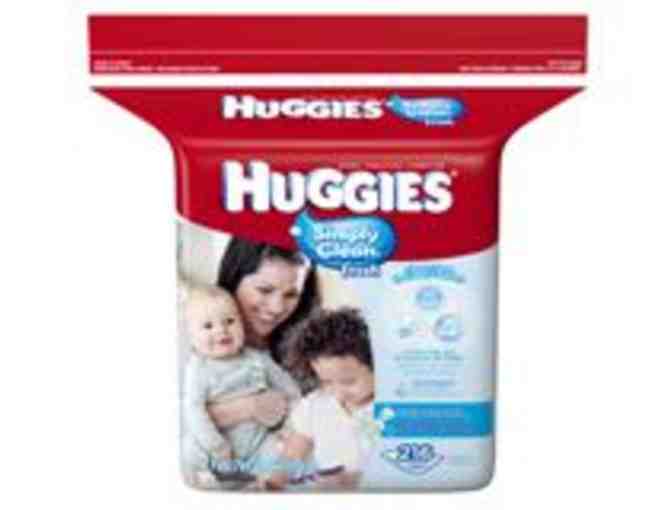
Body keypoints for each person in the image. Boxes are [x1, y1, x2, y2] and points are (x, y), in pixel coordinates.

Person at [181, 285, 301, 489]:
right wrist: (217, 447)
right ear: (192, 337)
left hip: (258, 443)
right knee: (191, 452)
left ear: (241, 322)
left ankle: (263, 485)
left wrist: (289, 427)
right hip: (214, 447)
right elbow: (194, 410)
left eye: (230, 321)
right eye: (208, 326)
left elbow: (292, 392)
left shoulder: (257, 359)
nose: (222, 330)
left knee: (283, 456)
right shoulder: (198, 369)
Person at [205, 237, 320, 435]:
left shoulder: (310, 347)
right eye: (265, 290)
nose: (277, 308)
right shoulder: (197, 333)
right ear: (234, 277)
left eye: (291, 295)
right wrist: (249, 407)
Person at [266, 307, 378, 491]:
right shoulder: (314, 406)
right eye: (327, 382)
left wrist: (354, 480)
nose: (338, 393)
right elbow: (291, 456)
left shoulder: (394, 409)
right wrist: (273, 483)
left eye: (348, 381)